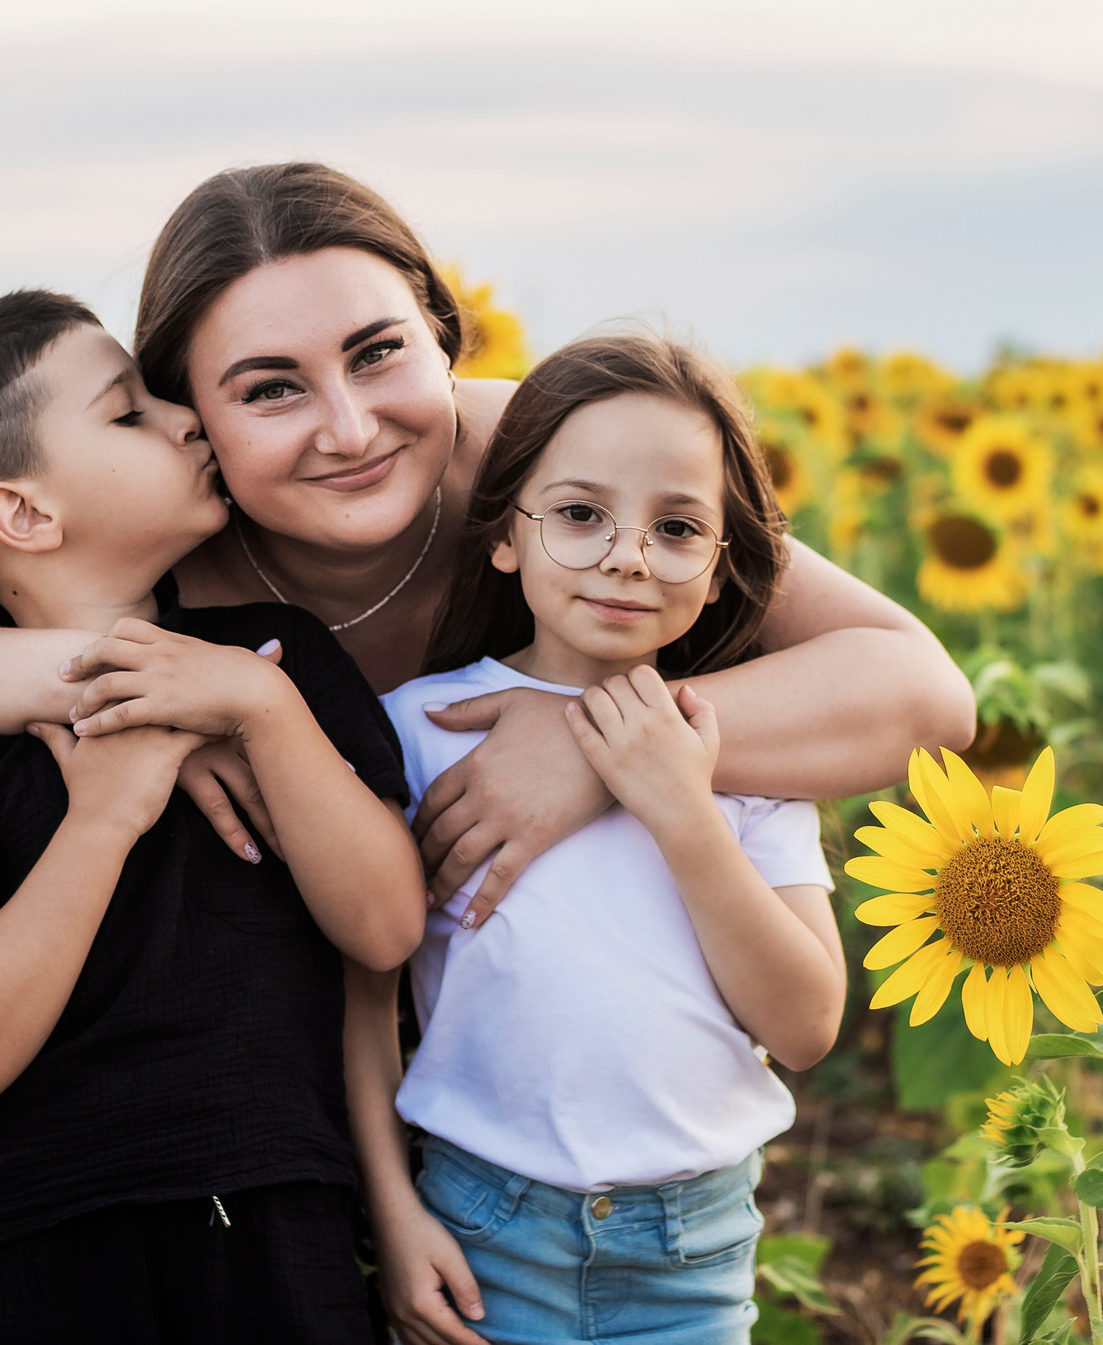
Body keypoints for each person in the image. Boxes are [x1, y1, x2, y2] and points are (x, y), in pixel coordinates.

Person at [0, 163, 973, 919]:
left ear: (445, 333)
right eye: (268, 388)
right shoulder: (155, 533)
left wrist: (594, 744)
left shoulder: (550, 471)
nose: (348, 427)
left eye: (379, 353)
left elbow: (920, 691)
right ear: (189, 418)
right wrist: (167, 690)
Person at [0, 290, 424, 1344]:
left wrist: (263, 711)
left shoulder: (280, 659)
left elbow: (384, 928)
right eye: (129, 413)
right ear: (25, 515)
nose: (185, 417)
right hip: (32, 1241)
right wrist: (101, 820)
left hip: (275, 1208)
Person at [349, 332, 847, 1345]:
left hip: (691, 1252)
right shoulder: (419, 732)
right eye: (580, 515)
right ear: (502, 535)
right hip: (480, 1230)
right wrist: (391, 1211)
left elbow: (803, 1027)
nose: (626, 554)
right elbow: (358, 997)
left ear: (718, 571)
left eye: (675, 527)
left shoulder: (741, 752)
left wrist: (676, 804)